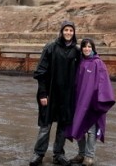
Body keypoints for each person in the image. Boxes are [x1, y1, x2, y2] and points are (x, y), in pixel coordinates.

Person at [29, 20, 81, 166]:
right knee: (45, 126)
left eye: (71, 30)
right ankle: (38, 153)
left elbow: (83, 70)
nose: (68, 33)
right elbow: (41, 72)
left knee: (63, 126)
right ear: (61, 31)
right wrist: (42, 93)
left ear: (74, 32)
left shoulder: (76, 51)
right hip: (51, 93)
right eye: (66, 30)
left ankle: (58, 154)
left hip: (67, 95)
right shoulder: (51, 47)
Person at [66, 38, 116, 166]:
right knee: (78, 126)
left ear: (93, 48)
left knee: (91, 130)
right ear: (81, 48)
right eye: (84, 46)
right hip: (79, 101)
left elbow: (104, 83)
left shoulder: (98, 63)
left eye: (89, 47)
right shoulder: (80, 62)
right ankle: (81, 153)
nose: (87, 49)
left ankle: (89, 156)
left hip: (92, 102)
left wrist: (100, 100)